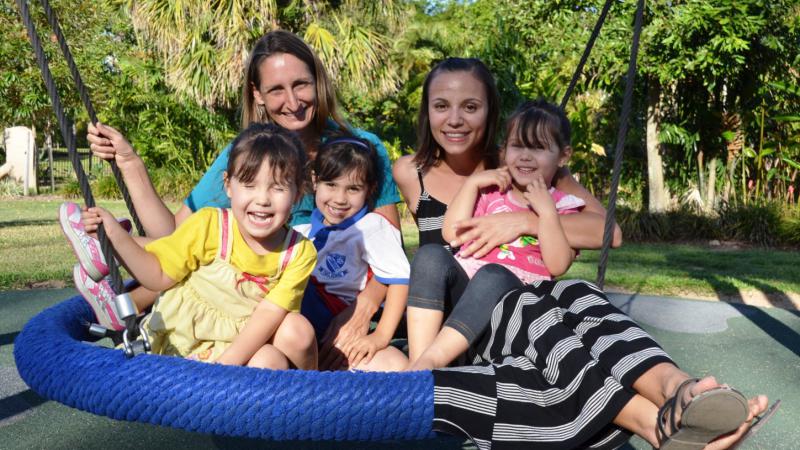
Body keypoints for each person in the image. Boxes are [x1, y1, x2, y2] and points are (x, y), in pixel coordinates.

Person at [394, 57, 771, 449]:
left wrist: (524, 221)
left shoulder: (524, 162)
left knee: (578, 294)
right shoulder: (412, 171)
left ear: (490, 112)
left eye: (470, 106)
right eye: (441, 106)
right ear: (427, 111)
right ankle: (655, 424)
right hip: (464, 324)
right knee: (536, 319)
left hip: (525, 300)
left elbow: (608, 230)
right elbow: (391, 255)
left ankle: (678, 388)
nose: (455, 119)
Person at [78, 30, 399, 366]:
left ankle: (122, 283)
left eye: (301, 84)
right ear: (257, 94)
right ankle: (117, 273)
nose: (293, 101)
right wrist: (131, 164)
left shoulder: (360, 149)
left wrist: (360, 312)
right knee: (211, 254)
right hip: (264, 313)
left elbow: (387, 253)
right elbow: (175, 233)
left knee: (392, 367)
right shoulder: (247, 156)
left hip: (335, 301)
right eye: (276, 89)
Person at [63, 123, 318, 369]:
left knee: (271, 358)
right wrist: (114, 236)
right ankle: (100, 250)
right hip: (183, 341)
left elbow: (268, 315)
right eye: (249, 185)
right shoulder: (210, 225)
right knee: (267, 358)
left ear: (297, 194)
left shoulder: (298, 252)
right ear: (229, 186)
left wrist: (224, 366)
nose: (262, 199)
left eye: (278, 188)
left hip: (237, 348)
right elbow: (158, 275)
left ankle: (299, 404)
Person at [293, 136, 409, 371]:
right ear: (315, 181)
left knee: (396, 366)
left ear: (370, 189)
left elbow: (401, 279)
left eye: (353, 189)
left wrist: (381, 336)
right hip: (299, 321)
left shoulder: (371, 228)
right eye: (331, 185)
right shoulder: (299, 232)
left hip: (338, 315)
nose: (339, 198)